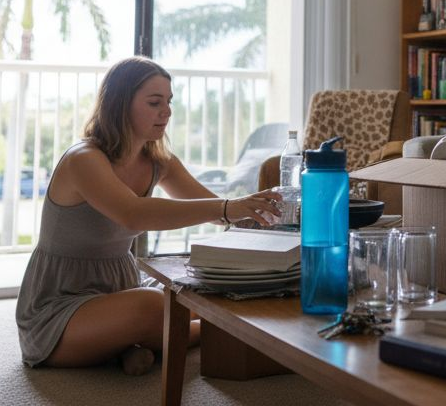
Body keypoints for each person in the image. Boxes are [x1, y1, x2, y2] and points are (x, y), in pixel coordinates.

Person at [15, 56, 281, 374]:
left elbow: (213, 208)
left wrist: (253, 214)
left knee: (196, 289)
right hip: (58, 307)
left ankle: (133, 345)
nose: (166, 112)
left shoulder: (158, 161)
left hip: (119, 290)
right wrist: (226, 208)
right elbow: (133, 214)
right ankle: (231, 332)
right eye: (155, 102)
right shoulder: (83, 159)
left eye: (168, 101)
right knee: (154, 306)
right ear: (119, 105)